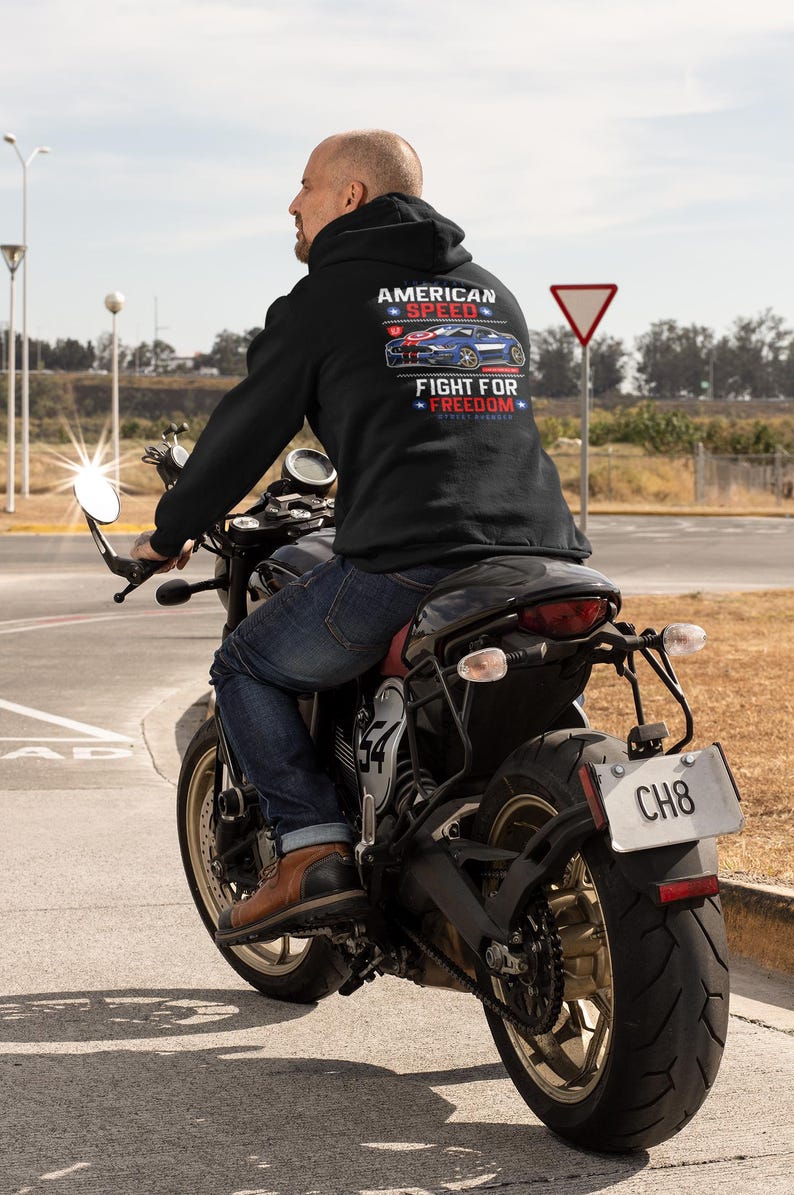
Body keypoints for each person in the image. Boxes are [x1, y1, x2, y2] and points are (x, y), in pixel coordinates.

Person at [132, 129, 590, 946]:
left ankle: (311, 851)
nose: (291, 203)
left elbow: (244, 432)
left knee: (246, 662)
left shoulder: (327, 299)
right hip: (543, 554)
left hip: (414, 560)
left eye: (305, 185)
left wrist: (167, 532)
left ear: (350, 196)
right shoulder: (490, 292)